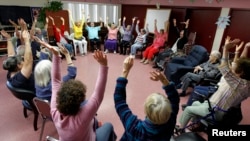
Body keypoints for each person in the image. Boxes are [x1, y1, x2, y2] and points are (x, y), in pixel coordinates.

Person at [177, 37, 250, 133]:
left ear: (241, 72)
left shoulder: (237, 83)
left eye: (236, 67)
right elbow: (238, 65)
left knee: (188, 110)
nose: (233, 66)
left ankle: (180, 129)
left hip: (216, 111)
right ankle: (196, 124)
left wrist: (225, 49)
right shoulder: (244, 83)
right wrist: (245, 48)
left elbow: (224, 67)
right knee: (195, 103)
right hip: (214, 106)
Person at [50, 47, 116, 141]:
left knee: (94, 121)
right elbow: (98, 95)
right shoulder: (82, 118)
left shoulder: (54, 111)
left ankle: (96, 125)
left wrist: (56, 56)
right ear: (79, 103)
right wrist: (104, 65)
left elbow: (55, 82)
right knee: (108, 126)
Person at [114, 56, 180, 140]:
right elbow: (175, 98)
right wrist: (164, 80)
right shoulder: (170, 121)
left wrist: (125, 70)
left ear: (146, 111)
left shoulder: (134, 127)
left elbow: (119, 100)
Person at [34, 37, 77, 101]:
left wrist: (43, 46)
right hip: (56, 107)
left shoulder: (37, 83)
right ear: (50, 71)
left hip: (43, 108)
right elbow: (72, 74)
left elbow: (42, 63)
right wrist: (67, 55)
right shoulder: (55, 84)